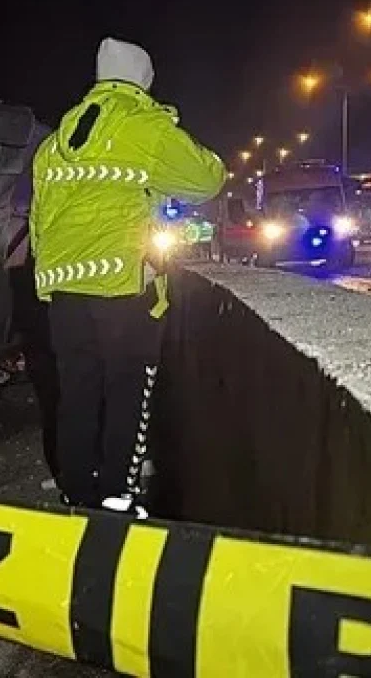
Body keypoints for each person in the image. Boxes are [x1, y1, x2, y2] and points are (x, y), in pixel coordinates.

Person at [29, 38, 226, 518]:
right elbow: (208, 178)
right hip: (123, 284)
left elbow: (37, 223)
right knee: (128, 388)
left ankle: (77, 493)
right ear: (142, 78)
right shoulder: (145, 126)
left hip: (65, 287)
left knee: (75, 392)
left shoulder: (56, 142)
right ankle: (118, 495)